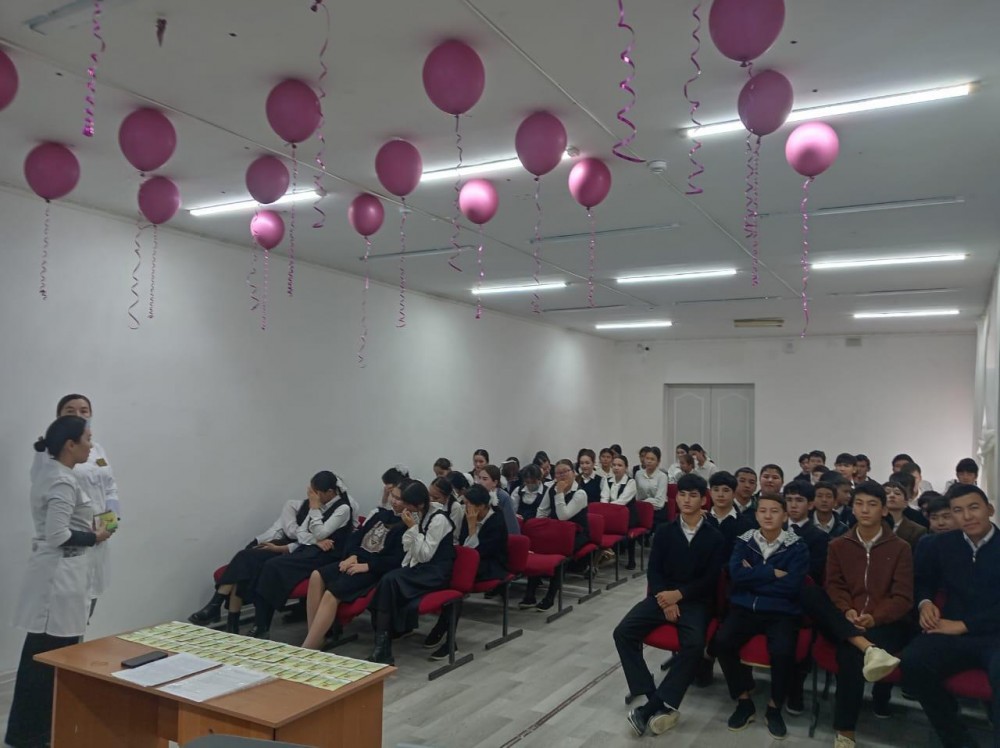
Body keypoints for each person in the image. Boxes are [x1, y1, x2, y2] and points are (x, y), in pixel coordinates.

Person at [7, 416, 115, 748]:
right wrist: (95, 537)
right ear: (70, 444)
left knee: (46, 657)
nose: (91, 446)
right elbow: (58, 534)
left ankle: (36, 732)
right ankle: (33, 734)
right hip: (59, 580)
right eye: (87, 439)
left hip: (62, 575)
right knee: (48, 659)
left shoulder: (54, 473)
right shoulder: (62, 481)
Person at [614, 472, 726, 736]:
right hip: (662, 597)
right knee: (623, 632)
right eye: (682, 494)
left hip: (695, 601)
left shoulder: (714, 537)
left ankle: (652, 707)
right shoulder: (665, 532)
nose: (686, 500)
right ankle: (651, 693)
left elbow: (710, 580)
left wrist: (680, 595)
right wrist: (666, 599)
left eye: (693, 495)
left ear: (704, 500)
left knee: (694, 645)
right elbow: (654, 571)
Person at [901, 485, 1000, 747]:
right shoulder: (941, 544)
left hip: (994, 634)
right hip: (951, 631)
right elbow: (923, 581)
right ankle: (956, 739)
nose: (967, 516)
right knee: (912, 662)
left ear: (989, 509)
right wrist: (925, 604)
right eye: (958, 510)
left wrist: (964, 625)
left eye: (974, 507)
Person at [816, 481, 913, 747]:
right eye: (859, 504)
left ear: (884, 510)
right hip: (847, 617)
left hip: (886, 623)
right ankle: (867, 649)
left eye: (872, 504)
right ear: (852, 508)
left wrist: (874, 617)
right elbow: (834, 586)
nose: (865, 510)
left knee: (850, 655)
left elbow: (903, 597)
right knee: (814, 595)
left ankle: (844, 729)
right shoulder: (838, 545)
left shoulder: (900, 548)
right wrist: (847, 609)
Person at [715, 494, 809, 739]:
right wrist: (772, 573)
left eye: (774, 511)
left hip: (781, 611)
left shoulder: (797, 545)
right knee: (722, 642)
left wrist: (754, 576)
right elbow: (736, 575)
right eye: (763, 511)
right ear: (756, 515)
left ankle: (774, 706)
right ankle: (743, 700)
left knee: (783, 651)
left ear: (785, 516)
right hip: (745, 608)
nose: (768, 516)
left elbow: (792, 586)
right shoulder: (744, 540)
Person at [34, 394, 120, 621]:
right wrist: (92, 535)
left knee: (85, 611)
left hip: (97, 536)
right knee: (62, 622)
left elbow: (109, 487)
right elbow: (47, 498)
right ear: (59, 417)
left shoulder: (96, 449)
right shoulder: (49, 457)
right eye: (70, 411)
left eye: (84, 410)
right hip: (71, 540)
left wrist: (110, 524)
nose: (79, 415)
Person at [300, 482, 411, 650]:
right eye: (393, 496)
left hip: (373, 569)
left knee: (332, 593)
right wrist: (352, 555)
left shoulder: (408, 525)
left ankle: (308, 647)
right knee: (316, 575)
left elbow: (397, 560)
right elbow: (356, 536)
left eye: (399, 499)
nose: (394, 501)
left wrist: (368, 566)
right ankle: (315, 636)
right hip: (356, 559)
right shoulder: (380, 515)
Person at [249, 472, 356, 639]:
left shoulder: (343, 509)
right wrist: (316, 541)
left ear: (329, 492)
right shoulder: (318, 505)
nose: (314, 496)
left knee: (273, 566)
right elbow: (301, 533)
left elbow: (321, 532)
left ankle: (262, 625)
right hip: (311, 550)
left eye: (317, 492)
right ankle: (261, 624)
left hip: (328, 556)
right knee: (268, 565)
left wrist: (314, 510)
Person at [368, 480, 456, 665]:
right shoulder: (418, 514)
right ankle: (383, 645)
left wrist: (412, 528)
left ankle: (382, 647)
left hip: (435, 572)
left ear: (419, 504)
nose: (400, 505)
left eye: (405, 502)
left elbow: (424, 555)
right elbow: (409, 550)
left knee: (389, 581)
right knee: (387, 581)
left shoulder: (438, 519)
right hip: (419, 568)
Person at [189, 495, 311, 627]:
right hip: (275, 544)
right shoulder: (294, 505)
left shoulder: (321, 516)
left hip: (293, 552)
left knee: (244, 564)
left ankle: (218, 607)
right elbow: (283, 530)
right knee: (244, 566)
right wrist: (259, 543)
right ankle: (224, 617)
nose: (312, 494)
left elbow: (302, 538)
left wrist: (313, 513)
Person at [423, 484, 508, 660]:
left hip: (490, 564)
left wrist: (472, 527)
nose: (465, 507)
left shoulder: (497, 520)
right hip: (473, 562)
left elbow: (480, 552)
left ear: (482, 506)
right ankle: (443, 628)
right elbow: (462, 544)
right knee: (447, 574)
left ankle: (447, 637)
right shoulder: (467, 515)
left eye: (469, 503)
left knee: (458, 584)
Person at [518, 459, 589, 612]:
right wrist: (540, 529)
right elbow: (542, 511)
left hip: (577, 533)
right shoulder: (551, 489)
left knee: (559, 553)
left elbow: (563, 516)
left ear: (573, 473)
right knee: (538, 546)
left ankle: (550, 597)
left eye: (565, 472)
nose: (561, 476)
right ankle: (530, 594)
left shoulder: (580, 493)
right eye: (558, 473)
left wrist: (560, 493)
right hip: (556, 531)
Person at [706, 471, 755, 557]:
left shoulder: (746, 524)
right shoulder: (702, 520)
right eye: (716, 490)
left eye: (726, 490)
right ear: (710, 493)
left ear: (734, 493)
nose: (720, 495)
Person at [603, 455, 638, 568]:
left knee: (626, 534)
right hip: (610, 514)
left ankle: (630, 559)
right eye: (614, 465)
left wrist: (607, 507)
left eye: (619, 465)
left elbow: (622, 501)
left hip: (627, 515)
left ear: (626, 467)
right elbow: (604, 498)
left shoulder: (631, 482)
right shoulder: (607, 480)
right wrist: (605, 508)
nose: (616, 468)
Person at [477, 464, 519, 535]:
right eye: (479, 478)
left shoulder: (503, 497)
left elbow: (511, 525)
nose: (480, 482)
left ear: (495, 482)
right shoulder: (476, 495)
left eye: (484, 479)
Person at [884, 476, 929, 545]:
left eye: (897, 493)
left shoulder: (917, 530)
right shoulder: (872, 525)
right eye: (887, 493)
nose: (892, 495)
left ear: (906, 503)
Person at [635, 446, 669, 528]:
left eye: (652, 459)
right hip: (642, 509)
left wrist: (644, 503)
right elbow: (637, 496)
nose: (649, 461)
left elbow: (659, 502)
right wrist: (642, 504)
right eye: (647, 458)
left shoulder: (662, 476)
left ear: (658, 461)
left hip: (658, 511)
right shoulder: (638, 474)